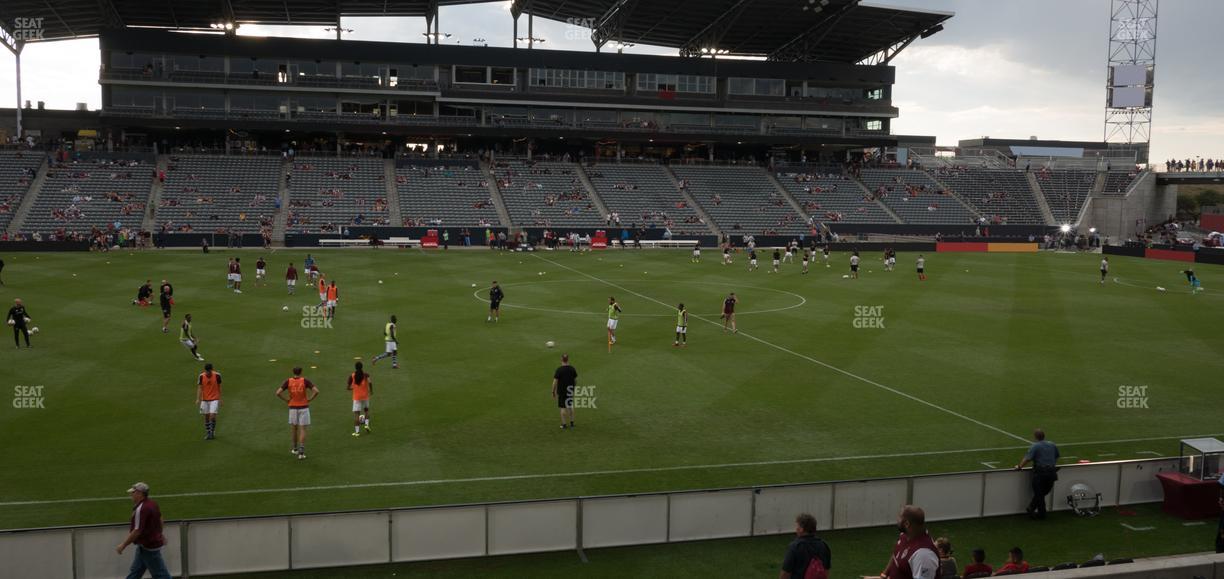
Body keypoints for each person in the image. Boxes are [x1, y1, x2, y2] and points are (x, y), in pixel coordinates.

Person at [116, 482, 170, 579]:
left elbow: (137, 531)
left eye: (133, 492)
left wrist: (123, 545)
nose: (131, 494)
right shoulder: (152, 504)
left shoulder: (141, 509)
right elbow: (160, 519)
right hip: (145, 546)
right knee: (135, 572)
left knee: (161, 575)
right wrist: (160, 534)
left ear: (140, 493)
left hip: (148, 547)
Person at [878, 505, 939, 579]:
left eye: (899, 517)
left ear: (907, 524)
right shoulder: (905, 535)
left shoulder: (923, 554)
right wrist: (884, 575)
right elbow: (895, 555)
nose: (897, 519)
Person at [275, 367, 319, 459]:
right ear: (301, 372)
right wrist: (310, 399)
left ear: (293, 372)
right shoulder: (305, 381)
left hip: (293, 408)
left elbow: (278, 392)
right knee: (303, 429)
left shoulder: (288, 381)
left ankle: (295, 449)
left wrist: (286, 400)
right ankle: (301, 452)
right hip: (304, 407)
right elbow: (316, 391)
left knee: (294, 429)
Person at [1016, 428, 1059, 519]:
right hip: (1051, 472)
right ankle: (1035, 510)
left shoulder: (1035, 446)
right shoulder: (1052, 444)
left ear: (1035, 437)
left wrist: (1019, 467)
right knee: (1043, 492)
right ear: (1044, 436)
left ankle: (1037, 511)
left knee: (1039, 493)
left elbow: (1027, 458)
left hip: (1040, 473)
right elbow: (1056, 456)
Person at [779, 512, 832, 579]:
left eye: (797, 526)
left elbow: (785, 573)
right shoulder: (824, 546)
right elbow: (826, 571)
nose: (796, 529)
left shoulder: (795, 547)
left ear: (801, 529)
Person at [196, 363, 222, 440]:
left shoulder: (217, 375)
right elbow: (199, 388)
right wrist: (198, 398)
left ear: (212, 370)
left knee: (212, 415)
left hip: (214, 398)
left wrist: (220, 398)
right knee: (206, 416)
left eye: (209, 371)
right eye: (207, 371)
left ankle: (212, 432)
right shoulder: (201, 376)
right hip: (205, 399)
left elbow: (219, 387)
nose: (208, 373)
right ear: (205, 370)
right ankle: (208, 432)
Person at [552, 353, 578, 429]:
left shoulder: (559, 370)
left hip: (562, 391)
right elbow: (575, 380)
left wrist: (553, 391)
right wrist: (573, 387)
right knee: (570, 406)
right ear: (568, 359)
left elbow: (554, 382)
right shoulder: (572, 368)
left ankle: (564, 424)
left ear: (561, 359)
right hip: (570, 390)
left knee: (563, 407)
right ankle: (572, 423)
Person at [347, 361, 373, 437]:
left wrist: (353, 388)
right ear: (362, 367)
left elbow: (348, 387)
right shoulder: (365, 374)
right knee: (366, 410)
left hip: (357, 397)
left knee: (356, 415)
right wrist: (371, 391)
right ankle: (366, 425)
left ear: (355, 367)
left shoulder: (352, 375)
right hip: (365, 396)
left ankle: (357, 432)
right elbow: (370, 382)